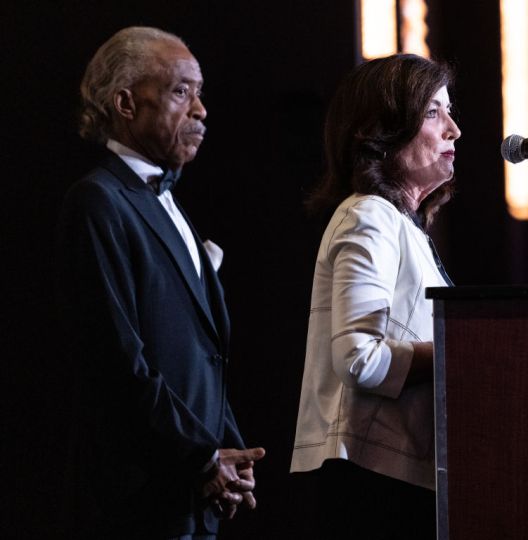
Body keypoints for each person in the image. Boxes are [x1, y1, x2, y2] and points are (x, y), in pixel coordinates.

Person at [56, 26, 265, 539]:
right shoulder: (98, 202)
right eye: (180, 91)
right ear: (125, 104)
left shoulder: (167, 205)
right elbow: (118, 361)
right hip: (138, 499)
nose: (200, 110)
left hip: (192, 494)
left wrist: (227, 449)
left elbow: (200, 356)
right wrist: (200, 456)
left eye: (200, 93)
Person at [290, 54, 461, 539]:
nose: (453, 129)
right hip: (373, 485)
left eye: (449, 111)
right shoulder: (369, 215)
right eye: (432, 112)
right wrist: (460, 352)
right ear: (380, 130)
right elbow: (358, 358)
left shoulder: (403, 226)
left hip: (396, 479)